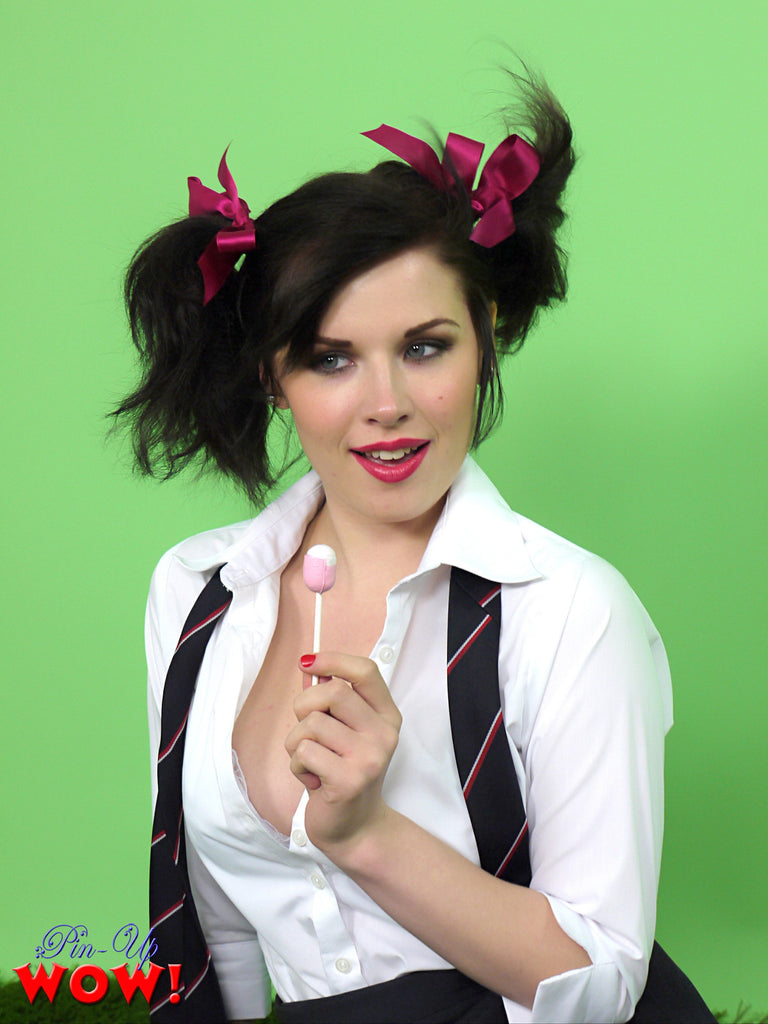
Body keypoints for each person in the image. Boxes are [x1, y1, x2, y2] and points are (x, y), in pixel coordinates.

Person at [114, 72, 714, 1024]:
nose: (386, 403)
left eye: (426, 346)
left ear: (486, 339)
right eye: (331, 358)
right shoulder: (196, 593)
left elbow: (600, 985)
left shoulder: (570, 610)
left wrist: (365, 834)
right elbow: (218, 936)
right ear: (272, 374)